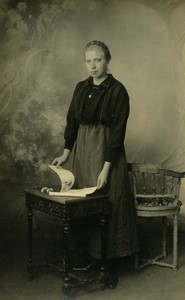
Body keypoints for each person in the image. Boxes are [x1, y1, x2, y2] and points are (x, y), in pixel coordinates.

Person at [52, 40, 138, 288]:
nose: (93, 65)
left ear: (107, 60)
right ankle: (92, 256)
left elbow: (118, 132)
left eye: (97, 60)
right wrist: (66, 153)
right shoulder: (80, 87)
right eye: (88, 60)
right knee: (86, 205)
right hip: (83, 153)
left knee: (108, 202)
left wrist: (106, 167)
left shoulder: (118, 90)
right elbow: (72, 123)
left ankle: (109, 265)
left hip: (106, 154)